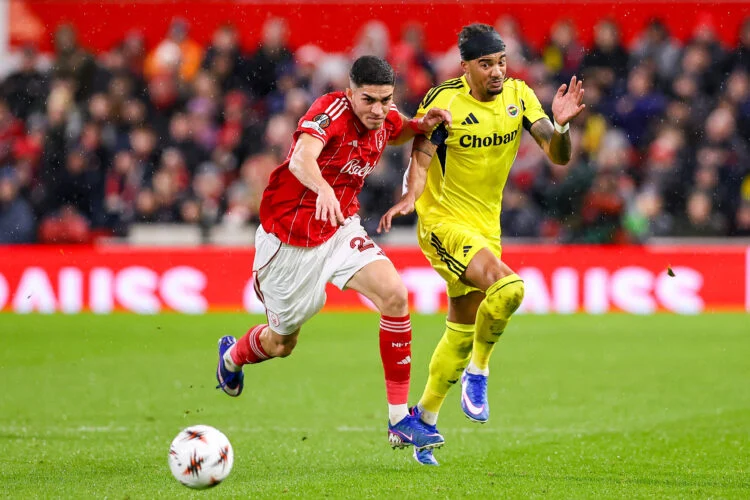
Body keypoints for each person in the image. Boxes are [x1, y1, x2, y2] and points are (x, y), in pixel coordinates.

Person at [215, 56, 451, 453]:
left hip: (340, 228)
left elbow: (398, 130)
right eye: (368, 100)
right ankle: (232, 358)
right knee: (281, 344)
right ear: (350, 92)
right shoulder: (330, 111)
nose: (377, 109)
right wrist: (323, 188)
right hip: (289, 242)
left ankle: (399, 421)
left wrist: (421, 125)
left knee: (395, 295)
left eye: (385, 100)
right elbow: (301, 157)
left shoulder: (385, 117)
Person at [378, 23, 585, 465]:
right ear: (466, 67)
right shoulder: (444, 100)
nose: (497, 71)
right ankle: (480, 370)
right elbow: (421, 156)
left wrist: (562, 127)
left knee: (461, 329)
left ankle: (423, 421)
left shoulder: (520, 96)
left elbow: (558, 154)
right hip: (443, 224)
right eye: (486, 64)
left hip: (486, 229)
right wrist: (411, 196)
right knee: (509, 289)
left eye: (501, 62)